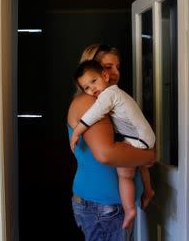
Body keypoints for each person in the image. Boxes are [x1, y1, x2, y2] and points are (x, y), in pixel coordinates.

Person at [67, 44, 156, 240]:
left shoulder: (110, 100)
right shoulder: (88, 103)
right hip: (102, 208)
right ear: (92, 68)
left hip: (108, 207)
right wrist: (149, 155)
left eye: (117, 67)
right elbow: (106, 154)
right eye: (108, 67)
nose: (115, 72)